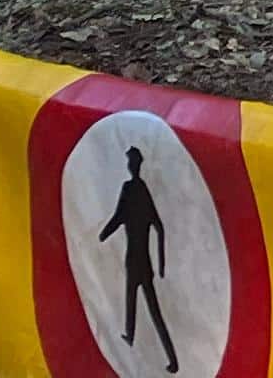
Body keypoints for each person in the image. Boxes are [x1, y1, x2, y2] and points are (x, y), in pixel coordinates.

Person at [100, 144, 182, 374]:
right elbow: (159, 227)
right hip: (142, 261)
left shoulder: (131, 189)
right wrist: (161, 263)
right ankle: (133, 339)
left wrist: (103, 234)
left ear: (132, 165)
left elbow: (118, 217)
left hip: (135, 260)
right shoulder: (143, 191)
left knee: (142, 304)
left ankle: (147, 347)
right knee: (137, 305)